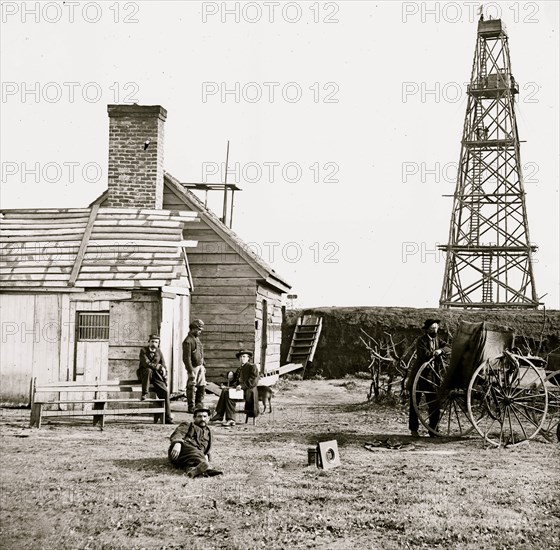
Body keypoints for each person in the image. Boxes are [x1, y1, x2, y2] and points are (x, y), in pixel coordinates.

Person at [407, 319, 450, 438]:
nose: (435, 330)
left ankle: (433, 430)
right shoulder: (421, 340)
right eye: (432, 328)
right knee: (415, 403)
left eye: (436, 328)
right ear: (427, 330)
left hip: (432, 377)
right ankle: (414, 430)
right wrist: (433, 353)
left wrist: (440, 350)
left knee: (434, 402)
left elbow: (447, 347)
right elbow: (423, 354)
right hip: (419, 376)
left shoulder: (437, 340)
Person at [168, 404, 223, 478]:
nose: (202, 419)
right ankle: (205, 468)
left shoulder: (209, 433)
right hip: (180, 452)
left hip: (191, 459)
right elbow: (178, 433)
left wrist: (206, 455)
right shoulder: (188, 425)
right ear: (194, 418)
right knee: (192, 449)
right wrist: (177, 443)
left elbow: (206, 449)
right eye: (199, 416)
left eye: (205, 416)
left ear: (208, 418)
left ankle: (193, 471)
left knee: (191, 463)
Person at [210, 349, 260, 426]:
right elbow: (235, 380)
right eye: (240, 357)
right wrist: (230, 375)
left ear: (248, 358)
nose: (242, 359)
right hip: (239, 390)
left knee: (229, 395)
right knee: (225, 391)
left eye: (244, 357)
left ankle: (229, 419)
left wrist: (242, 386)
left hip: (248, 392)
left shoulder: (252, 367)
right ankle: (220, 414)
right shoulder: (240, 368)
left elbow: (253, 381)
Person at [137, 334, 174, 424]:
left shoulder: (159, 352)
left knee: (165, 392)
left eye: (156, 342)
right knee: (148, 370)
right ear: (149, 342)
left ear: (158, 344)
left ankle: (167, 417)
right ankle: (144, 393)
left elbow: (163, 365)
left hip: (156, 375)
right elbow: (146, 363)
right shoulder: (143, 351)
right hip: (144, 373)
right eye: (152, 341)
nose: (154, 343)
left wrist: (165, 374)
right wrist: (158, 366)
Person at [182, 319, 207, 413]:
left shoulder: (196, 338)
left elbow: (200, 352)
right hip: (193, 367)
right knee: (191, 386)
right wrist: (191, 370)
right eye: (198, 329)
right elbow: (186, 358)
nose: (200, 331)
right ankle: (191, 406)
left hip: (200, 366)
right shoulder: (188, 341)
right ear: (192, 329)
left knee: (202, 385)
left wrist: (203, 365)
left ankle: (199, 404)